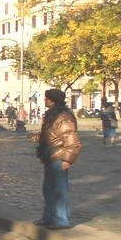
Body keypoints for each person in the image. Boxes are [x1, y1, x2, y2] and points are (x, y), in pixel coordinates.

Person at [29, 89, 82, 230]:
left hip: (59, 157)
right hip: (50, 156)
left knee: (60, 190)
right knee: (48, 189)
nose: (44, 101)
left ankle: (62, 220)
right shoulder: (52, 115)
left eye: (46, 99)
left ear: (52, 101)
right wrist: (39, 138)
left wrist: (67, 160)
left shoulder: (63, 117)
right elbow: (52, 136)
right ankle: (49, 217)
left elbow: (72, 140)